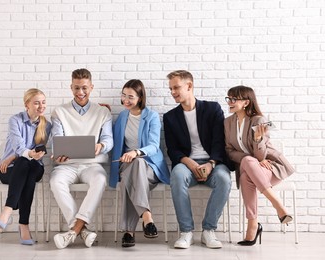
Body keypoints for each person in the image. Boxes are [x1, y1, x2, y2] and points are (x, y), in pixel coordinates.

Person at [163, 70, 232, 249]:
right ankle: (186, 232)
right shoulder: (170, 117)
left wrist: (210, 164)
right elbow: (173, 150)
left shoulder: (212, 109)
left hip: (213, 162)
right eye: (170, 88)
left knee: (224, 179)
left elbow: (219, 142)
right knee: (177, 176)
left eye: (176, 87)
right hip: (187, 163)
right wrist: (190, 163)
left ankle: (208, 230)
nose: (173, 92)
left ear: (190, 86)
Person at [50, 68, 113, 249]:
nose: (80, 93)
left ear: (91, 87)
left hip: (92, 165)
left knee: (100, 180)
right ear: (71, 87)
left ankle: (74, 230)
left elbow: (108, 139)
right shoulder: (59, 112)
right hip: (66, 165)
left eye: (84, 88)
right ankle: (81, 229)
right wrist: (58, 154)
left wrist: (101, 146)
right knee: (55, 182)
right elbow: (57, 140)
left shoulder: (102, 112)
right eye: (77, 88)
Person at [224, 85, 294, 246]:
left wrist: (257, 139)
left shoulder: (259, 121)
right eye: (229, 98)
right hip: (248, 165)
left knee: (247, 178)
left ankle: (253, 226)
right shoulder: (227, 122)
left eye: (234, 99)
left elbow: (261, 156)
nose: (230, 102)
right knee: (248, 162)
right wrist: (250, 160)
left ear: (246, 102)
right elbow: (228, 151)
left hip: (268, 168)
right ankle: (279, 206)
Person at [109, 79, 170, 247]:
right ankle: (147, 217)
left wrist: (136, 152)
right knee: (133, 169)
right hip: (126, 165)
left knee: (133, 173)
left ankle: (128, 231)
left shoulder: (151, 117)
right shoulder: (122, 116)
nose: (125, 100)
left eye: (130, 97)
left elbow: (154, 146)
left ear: (140, 98)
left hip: (149, 167)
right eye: (123, 95)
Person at [0, 88, 52, 245]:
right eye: (37, 103)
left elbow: (39, 149)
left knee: (28, 164)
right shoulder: (15, 120)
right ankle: (24, 225)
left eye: (44, 102)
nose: (41, 106)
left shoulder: (46, 125)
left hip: (32, 165)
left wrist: (35, 154)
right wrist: (23, 155)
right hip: (9, 170)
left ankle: (7, 211)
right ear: (27, 104)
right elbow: (19, 146)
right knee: (26, 168)